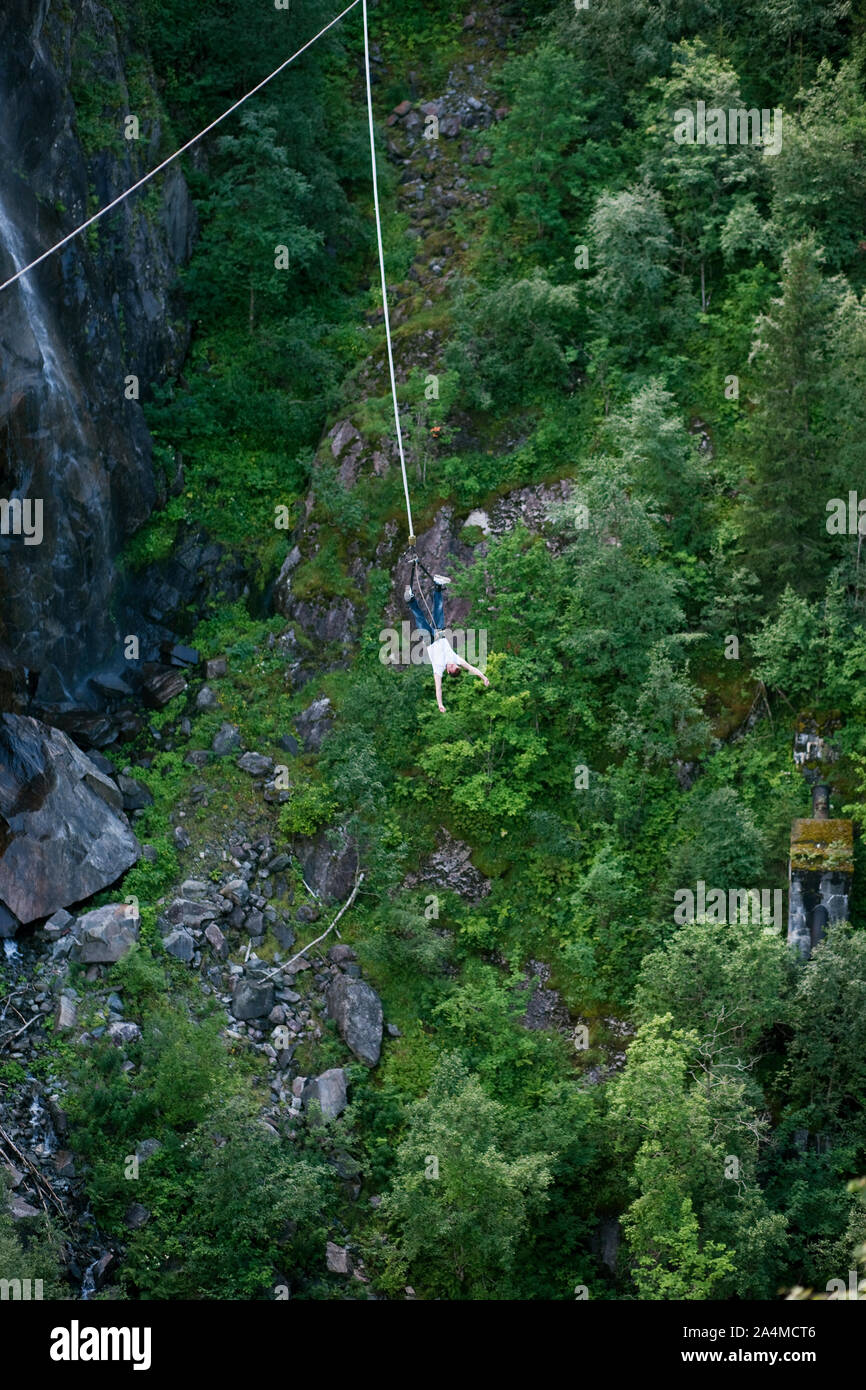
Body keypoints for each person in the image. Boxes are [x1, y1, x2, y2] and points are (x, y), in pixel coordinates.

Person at [404, 564, 489, 713]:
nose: (451, 664)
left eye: (451, 667)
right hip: (439, 633)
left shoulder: (438, 670)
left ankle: (410, 599)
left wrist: (440, 704)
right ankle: (437, 587)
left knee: (420, 618)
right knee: (438, 611)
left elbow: (438, 688)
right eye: (454, 665)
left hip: (429, 639)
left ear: (449, 671)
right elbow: (471, 668)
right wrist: (483, 677)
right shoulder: (455, 659)